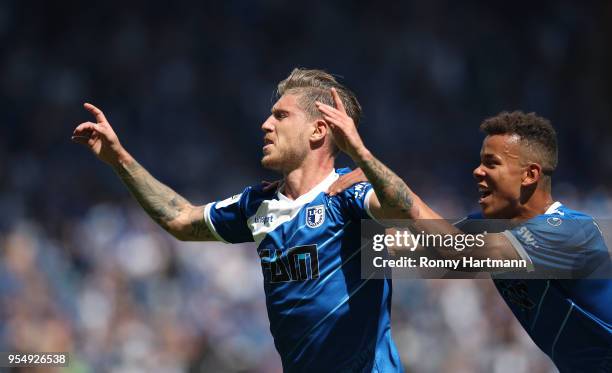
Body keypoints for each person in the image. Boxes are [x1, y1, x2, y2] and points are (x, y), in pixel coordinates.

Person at [72, 68, 415, 372]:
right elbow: (179, 218)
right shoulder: (258, 205)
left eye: (281, 116)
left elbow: (404, 211)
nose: (266, 125)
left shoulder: (349, 195)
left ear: (318, 131)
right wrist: (119, 160)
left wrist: (362, 155)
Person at [325, 111, 612, 372]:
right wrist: (345, 207)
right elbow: (403, 245)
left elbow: (458, 252)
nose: (477, 171)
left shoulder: (569, 232)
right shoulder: (491, 226)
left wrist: (372, 163)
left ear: (530, 175)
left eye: (492, 163)